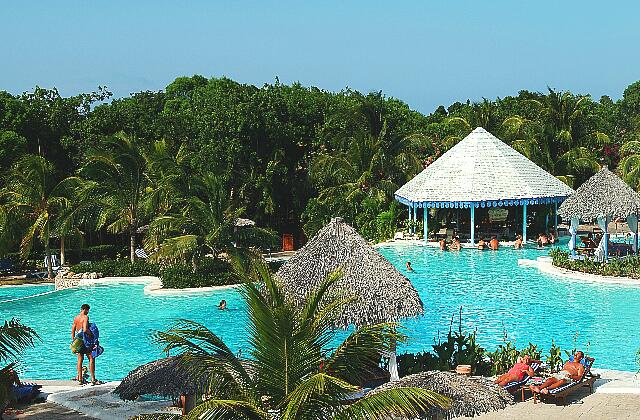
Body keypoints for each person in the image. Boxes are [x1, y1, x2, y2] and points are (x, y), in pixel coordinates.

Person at [71, 303, 100, 385]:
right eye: (88, 311)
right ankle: (93, 379)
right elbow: (84, 329)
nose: (88, 312)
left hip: (78, 340)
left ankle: (80, 379)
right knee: (91, 358)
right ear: (85, 309)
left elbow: (73, 330)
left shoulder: (76, 318)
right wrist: (92, 335)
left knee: (80, 359)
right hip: (85, 341)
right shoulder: (85, 317)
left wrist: (74, 341)